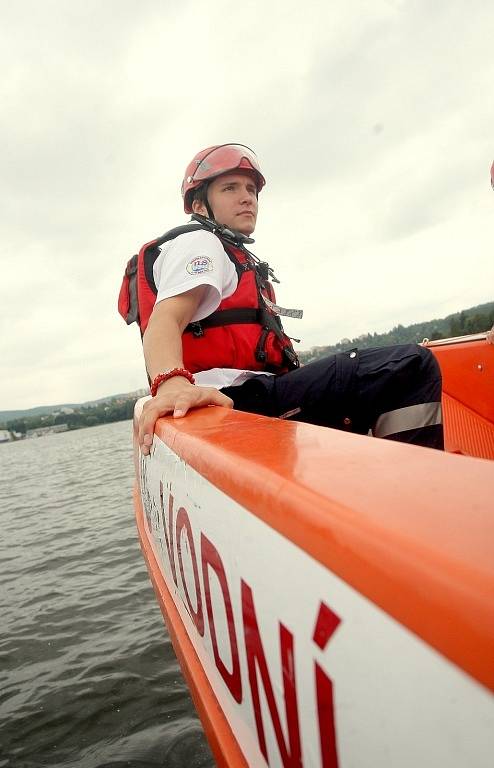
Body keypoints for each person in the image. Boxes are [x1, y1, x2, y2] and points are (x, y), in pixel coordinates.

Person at [119, 143, 443, 455]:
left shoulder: (222, 249)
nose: (247, 198)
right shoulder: (201, 243)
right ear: (201, 205)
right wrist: (171, 383)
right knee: (407, 367)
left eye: (251, 190)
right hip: (239, 400)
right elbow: (165, 318)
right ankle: (420, 490)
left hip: (249, 398)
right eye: (230, 188)